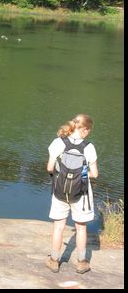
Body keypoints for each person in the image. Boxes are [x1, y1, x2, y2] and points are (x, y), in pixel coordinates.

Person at [46, 113, 99, 274]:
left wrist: (65, 175)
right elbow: (95, 174)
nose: (88, 133)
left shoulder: (57, 143)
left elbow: (49, 168)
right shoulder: (89, 147)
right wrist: (80, 175)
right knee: (81, 228)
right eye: (88, 130)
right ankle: (82, 263)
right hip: (81, 192)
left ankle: (54, 261)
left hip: (60, 190)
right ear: (84, 129)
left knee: (58, 227)